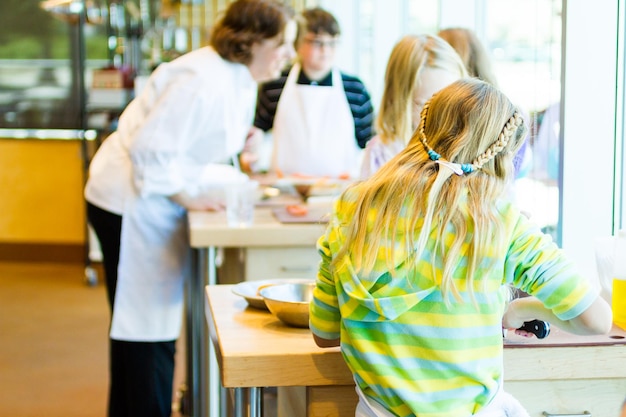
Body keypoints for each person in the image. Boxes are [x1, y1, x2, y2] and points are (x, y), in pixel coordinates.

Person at [310, 79, 612, 417]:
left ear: (422, 129)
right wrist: (522, 311)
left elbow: (323, 332)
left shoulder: (354, 207)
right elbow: (596, 320)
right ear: (501, 156)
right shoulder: (501, 223)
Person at [84, 1, 296, 416]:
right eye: (282, 43)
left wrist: (243, 139)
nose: (288, 53)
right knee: (145, 331)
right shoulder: (204, 80)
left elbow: (196, 137)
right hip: (130, 204)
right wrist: (189, 196)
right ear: (251, 41)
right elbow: (150, 151)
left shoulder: (235, 75)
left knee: (147, 329)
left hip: (147, 199)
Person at [251, 7, 374, 178]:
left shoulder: (355, 89)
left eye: (332, 43)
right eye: (317, 43)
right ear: (298, 44)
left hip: (339, 190)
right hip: (284, 189)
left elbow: (369, 143)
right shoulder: (275, 83)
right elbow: (257, 133)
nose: (326, 50)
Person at [359, 34, 467, 178]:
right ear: (397, 101)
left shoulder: (470, 150)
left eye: (452, 103)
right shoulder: (381, 154)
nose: (442, 116)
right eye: (425, 105)